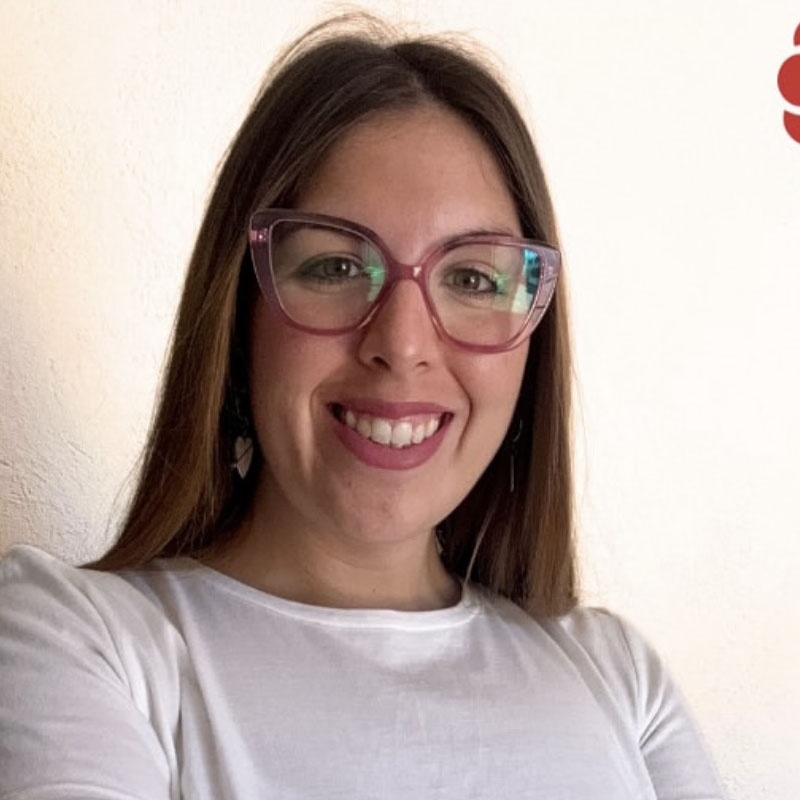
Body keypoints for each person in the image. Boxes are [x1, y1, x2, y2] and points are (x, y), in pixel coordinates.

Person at [0, 14, 726, 799]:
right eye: (336, 266)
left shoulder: (617, 678)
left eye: (472, 279)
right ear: (237, 315)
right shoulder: (81, 640)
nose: (403, 344)